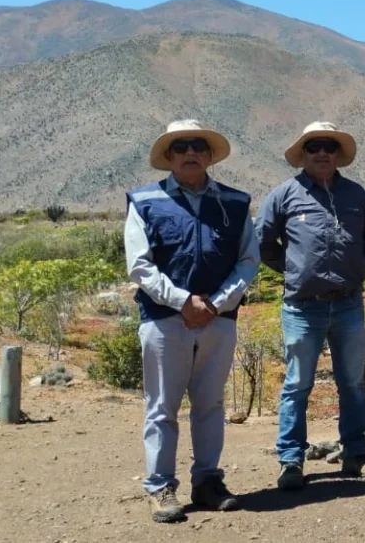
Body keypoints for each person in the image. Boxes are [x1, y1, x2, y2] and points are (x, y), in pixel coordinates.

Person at [125, 120, 259, 523]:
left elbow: (248, 260)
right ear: (169, 156)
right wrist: (183, 301)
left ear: (210, 153)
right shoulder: (144, 201)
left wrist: (215, 304)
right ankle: (161, 486)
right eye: (180, 146)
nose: (190, 152)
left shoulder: (235, 203)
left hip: (218, 320)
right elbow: (140, 266)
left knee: (210, 404)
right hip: (165, 321)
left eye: (197, 145)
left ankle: (207, 481)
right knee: (162, 406)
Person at [257, 122, 365, 490]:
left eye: (329, 146)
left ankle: (356, 453)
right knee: (298, 384)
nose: (322, 153)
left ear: (337, 153)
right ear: (303, 154)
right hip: (302, 307)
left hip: (348, 304)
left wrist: (354, 266)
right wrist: (295, 268)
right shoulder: (284, 195)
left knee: (353, 383)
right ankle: (291, 461)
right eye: (314, 146)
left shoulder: (356, 195)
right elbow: (264, 243)